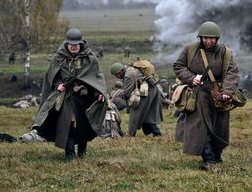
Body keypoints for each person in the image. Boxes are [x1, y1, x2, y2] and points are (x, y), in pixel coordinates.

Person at [32, 28, 107, 162]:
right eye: (71, 45)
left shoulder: (89, 58)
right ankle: (69, 154)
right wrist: (58, 85)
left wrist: (98, 93)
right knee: (67, 126)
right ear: (67, 44)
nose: (73, 47)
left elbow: (96, 77)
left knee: (84, 126)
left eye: (76, 45)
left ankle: (82, 152)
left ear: (81, 44)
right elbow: (52, 76)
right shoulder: (59, 57)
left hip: (85, 98)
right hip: (67, 98)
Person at [173, 21, 240, 170]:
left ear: (217, 38)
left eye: (211, 38)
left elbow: (232, 73)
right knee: (201, 127)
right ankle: (208, 158)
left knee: (219, 128)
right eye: (205, 38)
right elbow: (178, 66)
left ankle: (216, 155)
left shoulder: (225, 52)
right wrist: (191, 78)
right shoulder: (190, 50)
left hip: (219, 95)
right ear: (200, 38)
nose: (208, 41)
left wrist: (227, 93)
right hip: (198, 95)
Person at [111, 61, 163, 137]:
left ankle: (131, 134)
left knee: (135, 114)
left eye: (116, 75)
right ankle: (156, 133)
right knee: (147, 114)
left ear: (120, 72)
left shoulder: (128, 75)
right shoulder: (131, 70)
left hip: (145, 92)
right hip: (150, 90)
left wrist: (120, 96)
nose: (117, 77)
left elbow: (127, 93)